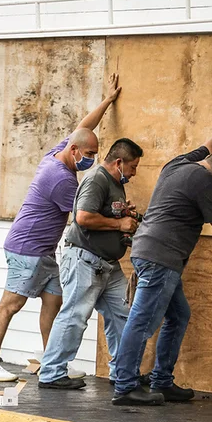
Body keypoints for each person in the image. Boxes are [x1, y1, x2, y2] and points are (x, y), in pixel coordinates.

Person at [111, 94, 212, 405]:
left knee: (179, 314)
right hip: (162, 257)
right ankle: (125, 386)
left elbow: (210, 146)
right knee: (142, 321)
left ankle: (161, 380)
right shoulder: (206, 182)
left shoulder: (180, 163)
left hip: (153, 252)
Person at [0, 74, 124, 382]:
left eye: (95, 156)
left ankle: (52, 360)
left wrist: (108, 102)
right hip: (27, 249)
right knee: (11, 304)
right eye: (89, 156)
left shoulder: (56, 155)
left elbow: (84, 126)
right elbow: (85, 216)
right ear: (74, 152)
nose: (92, 161)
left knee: (54, 300)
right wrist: (120, 220)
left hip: (43, 252)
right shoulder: (62, 180)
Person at [38, 138, 144, 389]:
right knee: (75, 315)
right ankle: (51, 373)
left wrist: (121, 213)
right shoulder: (98, 178)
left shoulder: (116, 183)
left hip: (107, 263)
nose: (134, 172)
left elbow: (101, 212)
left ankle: (122, 372)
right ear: (119, 162)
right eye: (133, 167)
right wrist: (119, 224)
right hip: (86, 260)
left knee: (123, 315)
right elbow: (83, 217)